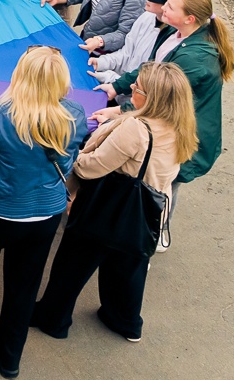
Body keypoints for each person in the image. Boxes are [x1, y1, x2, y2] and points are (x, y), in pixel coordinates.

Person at [32, 62, 198, 342]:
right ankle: (124, 321)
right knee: (127, 270)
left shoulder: (136, 128)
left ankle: (53, 319)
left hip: (106, 209)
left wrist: (75, 156)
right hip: (146, 212)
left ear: (153, 98)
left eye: (138, 87)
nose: (132, 87)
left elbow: (91, 167)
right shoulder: (182, 127)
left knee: (72, 266)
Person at [0, 47, 87, 380]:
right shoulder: (74, 115)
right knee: (24, 287)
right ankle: (10, 355)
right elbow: (67, 162)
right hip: (44, 216)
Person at [100, 0, 234, 248]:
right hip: (174, 127)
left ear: (190, 18)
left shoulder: (194, 60)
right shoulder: (176, 33)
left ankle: (152, 237)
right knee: (162, 181)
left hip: (185, 136)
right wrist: (116, 87)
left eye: (170, 6)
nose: (163, 8)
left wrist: (120, 111)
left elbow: (162, 99)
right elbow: (150, 69)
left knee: (162, 185)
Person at [91, 0, 186, 85]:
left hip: (131, 94)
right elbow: (126, 52)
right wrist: (101, 62)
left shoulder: (172, 40)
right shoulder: (147, 16)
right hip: (117, 85)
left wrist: (112, 79)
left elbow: (147, 81)